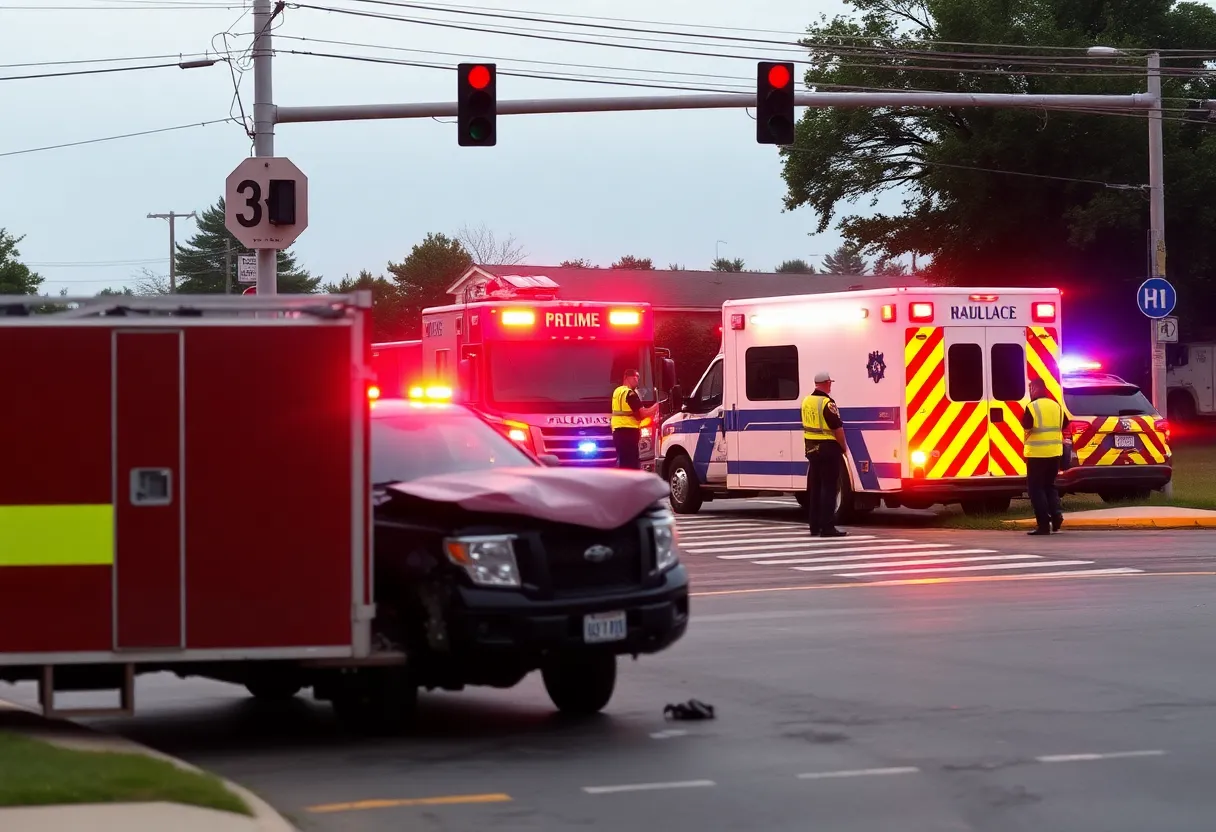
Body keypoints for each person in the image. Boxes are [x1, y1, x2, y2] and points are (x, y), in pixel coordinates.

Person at [801, 370, 848, 538]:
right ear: (826, 383)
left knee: (815, 488)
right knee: (829, 489)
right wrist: (843, 447)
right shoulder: (827, 403)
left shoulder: (806, 401)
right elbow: (837, 428)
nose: (831, 386)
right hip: (828, 449)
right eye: (830, 383)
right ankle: (828, 527)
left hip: (812, 449)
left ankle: (814, 526)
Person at [1021, 378, 1065, 535]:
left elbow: (1026, 425)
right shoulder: (1056, 406)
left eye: (1031, 389)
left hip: (1037, 455)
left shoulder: (1032, 407)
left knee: (1036, 489)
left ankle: (1043, 525)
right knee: (1050, 486)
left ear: (1035, 389)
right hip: (1054, 453)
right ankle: (1057, 517)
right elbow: (1065, 424)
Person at [611, 369, 659, 469]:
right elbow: (643, 414)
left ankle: (623, 482)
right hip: (629, 432)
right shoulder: (630, 394)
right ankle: (631, 483)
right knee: (632, 463)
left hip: (617, 431)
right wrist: (656, 407)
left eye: (638, 377)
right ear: (626, 378)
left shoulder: (617, 391)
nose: (637, 380)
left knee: (623, 462)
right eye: (634, 377)